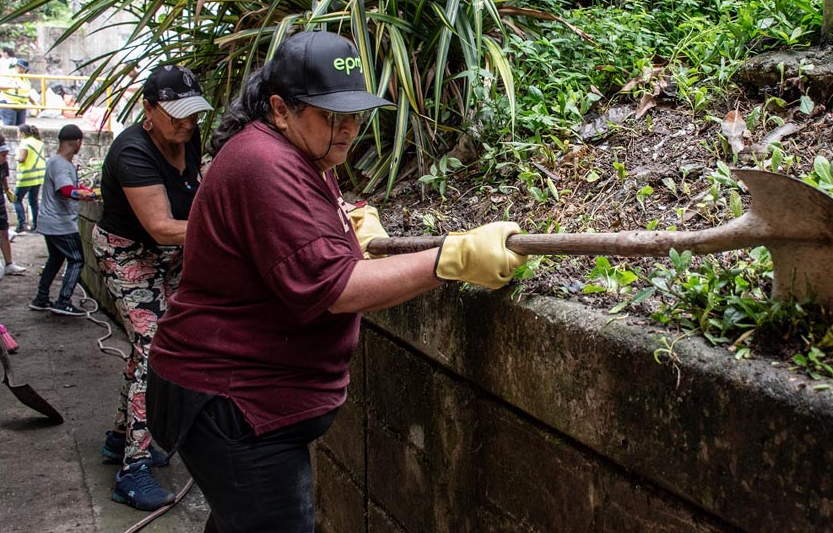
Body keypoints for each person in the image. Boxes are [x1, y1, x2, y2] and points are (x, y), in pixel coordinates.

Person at [146, 31, 527, 531]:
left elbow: (307, 240)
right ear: (281, 109)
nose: (348, 129)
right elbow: (337, 289)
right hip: (233, 402)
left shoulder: (304, 152)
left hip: (250, 401)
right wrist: (449, 258)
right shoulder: (262, 163)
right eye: (332, 116)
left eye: (355, 115)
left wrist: (353, 231)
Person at [92, 64, 213, 511]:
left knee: (152, 345)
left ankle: (120, 438)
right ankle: (133, 468)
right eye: (176, 113)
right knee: (156, 343)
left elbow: (194, 191)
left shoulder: (187, 136)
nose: (187, 122)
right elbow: (162, 227)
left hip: (169, 256)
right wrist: (227, 225)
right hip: (128, 254)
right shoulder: (132, 152)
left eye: (194, 113)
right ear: (148, 108)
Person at [28, 125, 97, 316]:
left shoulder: (56, 162)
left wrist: (84, 189)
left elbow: (69, 184)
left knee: (56, 259)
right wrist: (80, 194)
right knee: (76, 260)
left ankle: (41, 298)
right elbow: (65, 190)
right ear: (77, 142)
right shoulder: (61, 164)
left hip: (49, 222)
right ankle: (63, 301)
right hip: (61, 224)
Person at [0, 134, 27, 275]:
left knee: (3, 232)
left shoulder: (3, 165)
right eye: (2, 155)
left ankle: (9, 264)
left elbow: (3, 178)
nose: (5, 158)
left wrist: (7, 190)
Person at [14, 124, 46, 232]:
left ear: (22, 133)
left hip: (27, 176)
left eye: (18, 133)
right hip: (38, 176)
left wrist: (16, 157)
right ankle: (36, 225)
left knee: (16, 199)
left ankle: (22, 223)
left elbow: (22, 158)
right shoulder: (39, 142)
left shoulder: (24, 143)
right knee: (33, 201)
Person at [0, 59, 31, 127]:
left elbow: (26, 92)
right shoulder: (9, 73)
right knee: (10, 125)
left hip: (21, 104)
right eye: (21, 68)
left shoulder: (24, 77)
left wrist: (34, 103)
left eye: (24, 68)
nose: (23, 70)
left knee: (21, 127)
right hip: (8, 103)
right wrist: (12, 86)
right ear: (16, 66)